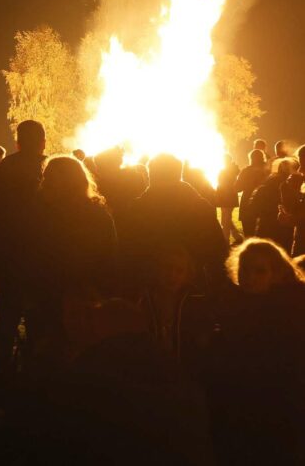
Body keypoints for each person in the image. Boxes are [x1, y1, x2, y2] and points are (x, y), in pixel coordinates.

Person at [208, 238, 305, 463]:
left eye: (259, 271)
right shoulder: (231, 303)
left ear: (276, 274)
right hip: (239, 408)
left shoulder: (292, 312)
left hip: (277, 408)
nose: (250, 277)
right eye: (245, 269)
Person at [28, 155, 117, 367]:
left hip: (76, 296)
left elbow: (107, 257)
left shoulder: (44, 213)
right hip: (58, 296)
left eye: (50, 178)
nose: (45, 182)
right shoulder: (42, 212)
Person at [0, 120, 46, 394]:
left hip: (9, 259)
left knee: (7, 322)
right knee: (39, 322)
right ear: (42, 142)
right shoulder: (49, 170)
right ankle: (35, 378)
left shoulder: (1, 172)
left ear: (18, 142)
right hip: (40, 258)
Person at [119, 154, 228, 296]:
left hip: (148, 286)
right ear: (179, 174)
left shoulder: (137, 208)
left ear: (151, 175)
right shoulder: (199, 206)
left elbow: (127, 251)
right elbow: (217, 250)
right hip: (193, 285)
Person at [250, 157, 299, 252]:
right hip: (286, 233)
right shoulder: (293, 188)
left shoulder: (266, 186)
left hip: (266, 231)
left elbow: (253, 209)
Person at [235, 149, 269, 237]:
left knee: (249, 233)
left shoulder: (246, 171)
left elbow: (237, 188)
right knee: (264, 234)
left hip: (247, 203)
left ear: (251, 158)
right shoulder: (268, 171)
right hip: (264, 204)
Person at [217, 154, 244, 245]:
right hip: (227, 196)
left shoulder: (228, 170)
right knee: (226, 219)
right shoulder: (231, 170)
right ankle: (237, 237)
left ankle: (226, 239)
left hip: (227, 196)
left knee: (226, 220)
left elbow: (222, 182)